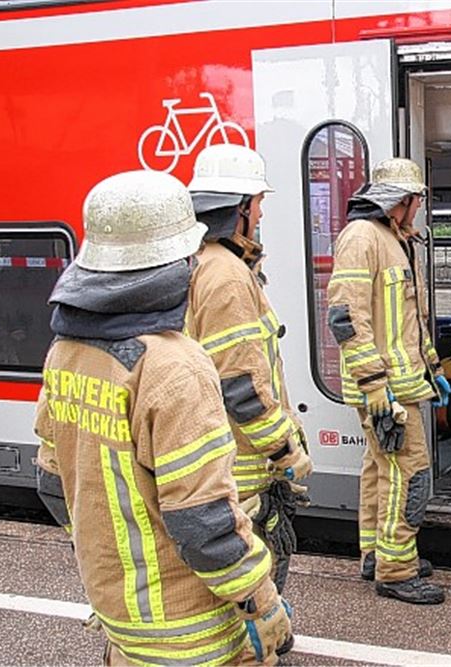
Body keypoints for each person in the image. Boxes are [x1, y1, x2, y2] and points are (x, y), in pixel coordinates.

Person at [34, 170, 292, 666]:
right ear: (176, 262)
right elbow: (203, 523)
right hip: (192, 632)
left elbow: (52, 484)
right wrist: (262, 600)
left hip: (121, 622)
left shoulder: (65, 353)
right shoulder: (175, 366)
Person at [183, 144, 313, 594]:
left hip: (216, 460)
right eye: (258, 202)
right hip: (243, 470)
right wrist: (286, 451)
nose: (260, 213)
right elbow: (240, 386)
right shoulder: (227, 276)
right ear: (238, 207)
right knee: (256, 584)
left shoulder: (197, 263)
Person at [327, 157, 451, 604]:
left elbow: (410, 322)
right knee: (409, 470)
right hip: (384, 387)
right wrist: (375, 386)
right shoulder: (364, 239)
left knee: (380, 466)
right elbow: (348, 318)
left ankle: (374, 553)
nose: (418, 207)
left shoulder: (396, 240)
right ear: (400, 201)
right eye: (416, 199)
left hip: (399, 382)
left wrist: (434, 369)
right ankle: (396, 570)